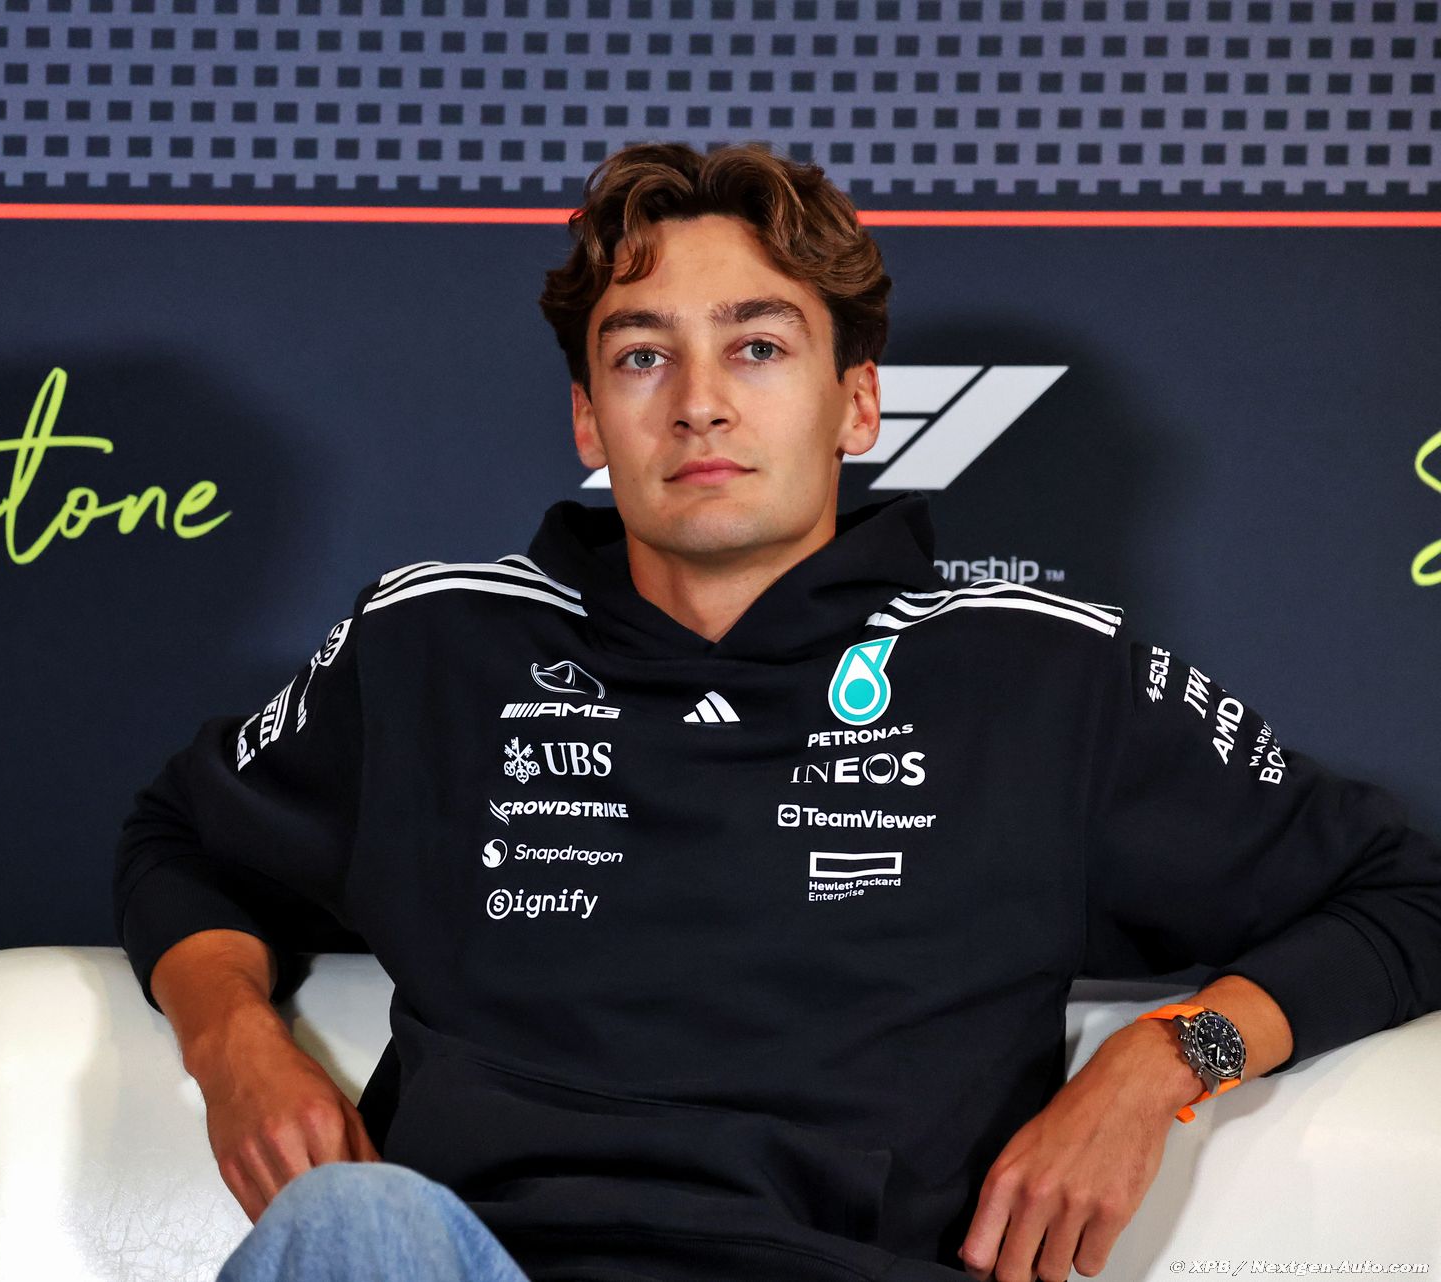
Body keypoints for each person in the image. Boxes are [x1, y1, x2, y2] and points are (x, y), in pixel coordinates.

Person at [111, 141, 1441, 1282]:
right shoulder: (433, 646)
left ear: (856, 401)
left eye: (757, 346)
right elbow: (182, 841)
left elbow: (1405, 894)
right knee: (352, 1225)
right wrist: (232, 1040)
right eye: (643, 356)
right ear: (588, 418)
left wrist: (1163, 1060)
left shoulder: (1040, 673)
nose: (699, 404)